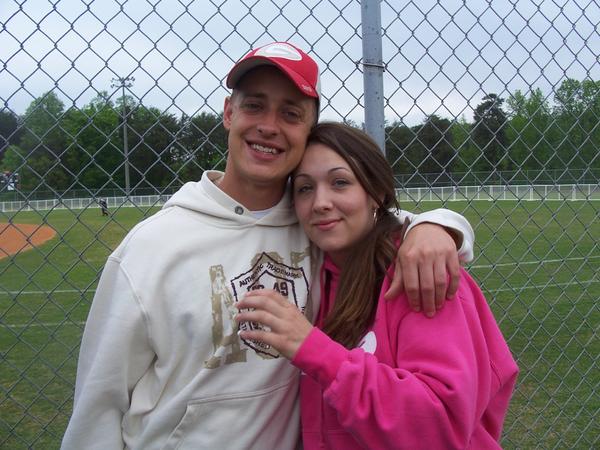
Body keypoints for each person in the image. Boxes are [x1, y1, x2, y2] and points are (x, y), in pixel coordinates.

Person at [62, 42, 476, 449]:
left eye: (290, 113)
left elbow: (382, 224)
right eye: (254, 105)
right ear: (229, 113)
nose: (269, 126)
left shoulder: (314, 227)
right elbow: (100, 402)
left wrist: (437, 226)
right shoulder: (150, 247)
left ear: (307, 130)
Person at [236, 122, 518, 449]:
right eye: (304, 188)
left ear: (376, 193)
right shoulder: (308, 273)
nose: (320, 203)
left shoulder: (419, 274)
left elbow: (438, 428)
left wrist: (313, 348)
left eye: (340, 183)